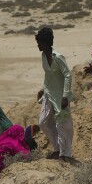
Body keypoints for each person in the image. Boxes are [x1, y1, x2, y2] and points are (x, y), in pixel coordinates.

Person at [35, 27, 74, 162]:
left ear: (45, 43)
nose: (38, 45)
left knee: (62, 124)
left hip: (60, 97)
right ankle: (58, 149)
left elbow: (68, 75)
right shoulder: (43, 57)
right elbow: (48, 75)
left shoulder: (58, 57)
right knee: (43, 122)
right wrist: (42, 89)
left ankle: (64, 153)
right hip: (49, 94)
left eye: (39, 42)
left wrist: (65, 96)